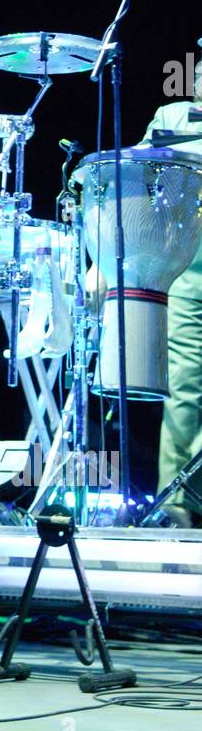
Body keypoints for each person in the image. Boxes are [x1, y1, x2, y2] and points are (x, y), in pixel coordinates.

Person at [140, 49, 202, 524]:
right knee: (182, 389)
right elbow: (135, 182)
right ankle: (175, 508)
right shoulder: (172, 115)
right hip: (186, 269)